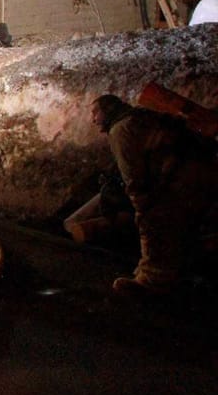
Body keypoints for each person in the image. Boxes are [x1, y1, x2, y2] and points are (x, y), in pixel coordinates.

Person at [90, 93, 218, 297]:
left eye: (95, 112)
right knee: (194, 226)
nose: (93, 118)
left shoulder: (120, 130)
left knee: (156, 224)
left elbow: (134, 175)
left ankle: (153, 281)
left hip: (179, 179)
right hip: (203, 170)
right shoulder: (141, 116)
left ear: (108, 110)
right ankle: (183, 271)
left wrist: (142, 206)